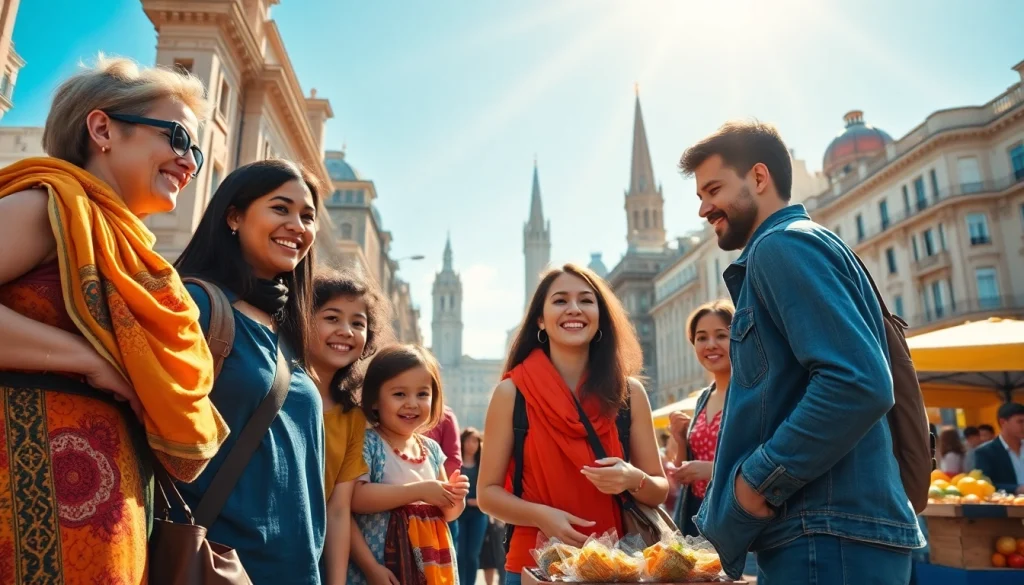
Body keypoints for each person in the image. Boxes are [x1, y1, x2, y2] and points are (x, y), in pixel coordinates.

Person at [0, 56, 227, 584]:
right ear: (102, 129)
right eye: (177, 138)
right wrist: (87, 360)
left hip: (110, 525)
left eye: (195, 150)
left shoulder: (130, 250)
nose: (189, 162)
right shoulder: (46, 207)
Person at [678, 121, 924, 583]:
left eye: (712, 190)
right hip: (834, 532)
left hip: (823, 534)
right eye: (699, 197)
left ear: (757, 177)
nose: (704, 208)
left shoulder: (780, 245)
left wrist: (755, 484)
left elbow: (858, 383)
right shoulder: (805, 242)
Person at [173, 159, 326, 584]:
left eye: (308, 216)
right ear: (234, 216)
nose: (298, 225)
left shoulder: (290, 330)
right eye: (281, 208)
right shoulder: (194, 306)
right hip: (221, 564)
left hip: (296, 569)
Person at [477, 264, 669, 584]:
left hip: (615, 566)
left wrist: (632, 478)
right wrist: (541, 516)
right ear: (540, 318)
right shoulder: (511, 393)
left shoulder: (630, 393)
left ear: (600, 316)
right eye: (560, 300)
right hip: (533, 567)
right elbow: (487, 494)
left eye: (586, 300)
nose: (574, 309)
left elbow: (658, 488)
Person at [348, 344, 470, 585]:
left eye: (422, 394)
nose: (412, 403)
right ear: (374, 401)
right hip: (384, 569)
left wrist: (455, 498)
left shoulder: (432, 450)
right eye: (399, 394)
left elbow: (448, 514)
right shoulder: (369, 443)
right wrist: (370, 568)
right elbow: (355, 499)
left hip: (430, 568)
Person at [309, 268, 394, 585]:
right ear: (304, 320)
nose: (346, 330)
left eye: (358, 323)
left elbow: (339, 509)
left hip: (307, 565)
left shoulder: (353, 418)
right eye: (332, 318)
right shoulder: (274, 388)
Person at [667, 300, 734, 537]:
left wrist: (711, 470)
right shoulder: (703, 398)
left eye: (721, 336)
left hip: (736, 516)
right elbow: (683, 472)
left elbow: (765, 462)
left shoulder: (751, 396)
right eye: (702, 337)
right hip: (697, 518)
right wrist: (680, 438)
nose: (711, 345)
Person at [424, 403, 464, 542]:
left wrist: (443, 491)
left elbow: (453, 459)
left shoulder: (445, 415)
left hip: (438, 503)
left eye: (422, 393)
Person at [455, 427, 488, 584]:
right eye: (468, 440)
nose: (471, 444)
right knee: (459, 554)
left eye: (475, 440)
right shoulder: (456, 463)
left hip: (478, 514)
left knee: (472, 555)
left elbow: (490, 489)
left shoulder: (483, 464)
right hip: (459, 513)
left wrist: (477, 502)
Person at [974, 402, 1024, 494]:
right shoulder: (985, 452)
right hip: (1009, 506)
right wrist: (1017, 489)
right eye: (1020, 422)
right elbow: (985, 484)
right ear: (1003, 422)